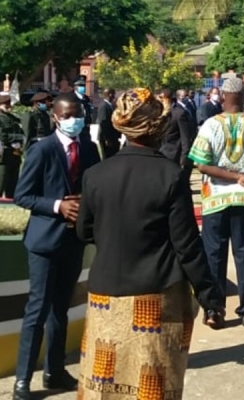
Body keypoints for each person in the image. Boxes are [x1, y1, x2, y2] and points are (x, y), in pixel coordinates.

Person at [75, 88, 224, 399]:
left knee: (103, 386)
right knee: (153, 385)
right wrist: (210, 297)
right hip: (156, 299)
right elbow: (186, 245)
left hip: (105, 297)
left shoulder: (95, 175)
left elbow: (84, 231)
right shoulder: (170, 176)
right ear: (158, 128)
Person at [11, 92, 101, 400]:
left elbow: (95, 187)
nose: (74, 119)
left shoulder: (89, 149)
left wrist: (86, 204)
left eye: (78, 114)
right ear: (56, 117)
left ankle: (55, 371)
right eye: (67, 115)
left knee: (60, 309)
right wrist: (57, 205)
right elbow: (23, 195)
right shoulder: (42, 150)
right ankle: (23, 380)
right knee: (37, 310)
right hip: (44, 241)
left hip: (73, 240)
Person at [188, 77, 244, 327]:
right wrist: (241, 175)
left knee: (213, 254)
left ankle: (213, 309)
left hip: (215, 199)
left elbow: (200, 163)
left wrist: (231, 176)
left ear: (222, 96)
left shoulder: (210, 126)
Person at [159, 89, 197, 181]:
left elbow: (185, 139)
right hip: (160, 154)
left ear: (168, 99)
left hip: (174, 155)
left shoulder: (178, 114)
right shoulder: (159, 113)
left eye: (161, 98)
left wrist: (183, 159)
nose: (160, 100)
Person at [0, 94, 25, 198]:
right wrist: (17, 137)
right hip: (4, 154)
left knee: (13, 182)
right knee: (2, 181)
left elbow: (22, 132)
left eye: (9, 104)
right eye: (5, 104)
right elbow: (2, 136)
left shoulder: (14, 118)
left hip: (15, 153)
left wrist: (19, 138)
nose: (8, 106)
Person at [96, 88, 121, 159]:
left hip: (112, 137)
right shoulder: (104, 106)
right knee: (108, 156)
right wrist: (106, 138)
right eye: (113, 94)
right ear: (110, 95)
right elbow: (103, 123)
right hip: (108, 138)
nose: (114, 96)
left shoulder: (110, 105)